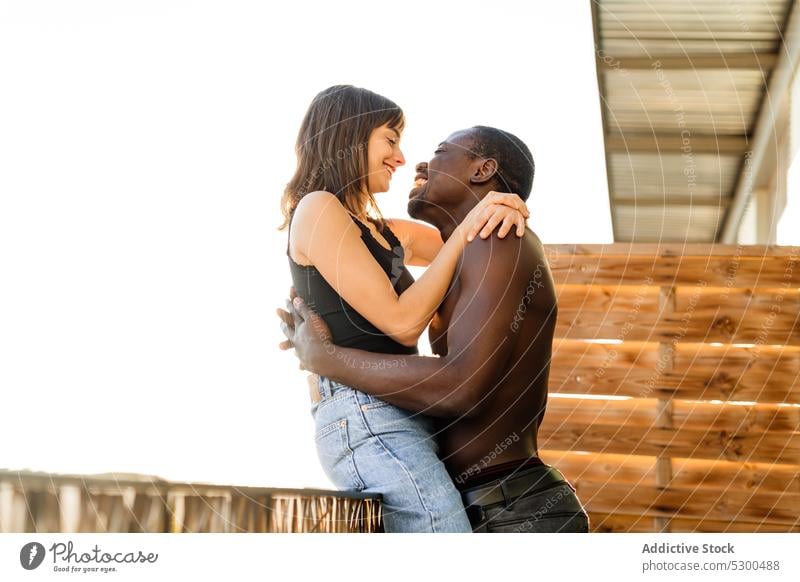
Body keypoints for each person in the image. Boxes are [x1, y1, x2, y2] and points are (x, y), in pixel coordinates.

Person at [279, 125, 590, 533]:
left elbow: (460, 386)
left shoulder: (499, 241)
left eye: (441, 151)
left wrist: (326, 359)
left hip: (513, 510)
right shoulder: (466, 254)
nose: (418, 162)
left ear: (483, 170)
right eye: (391, 142)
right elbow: (363, 240)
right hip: (485, 502)